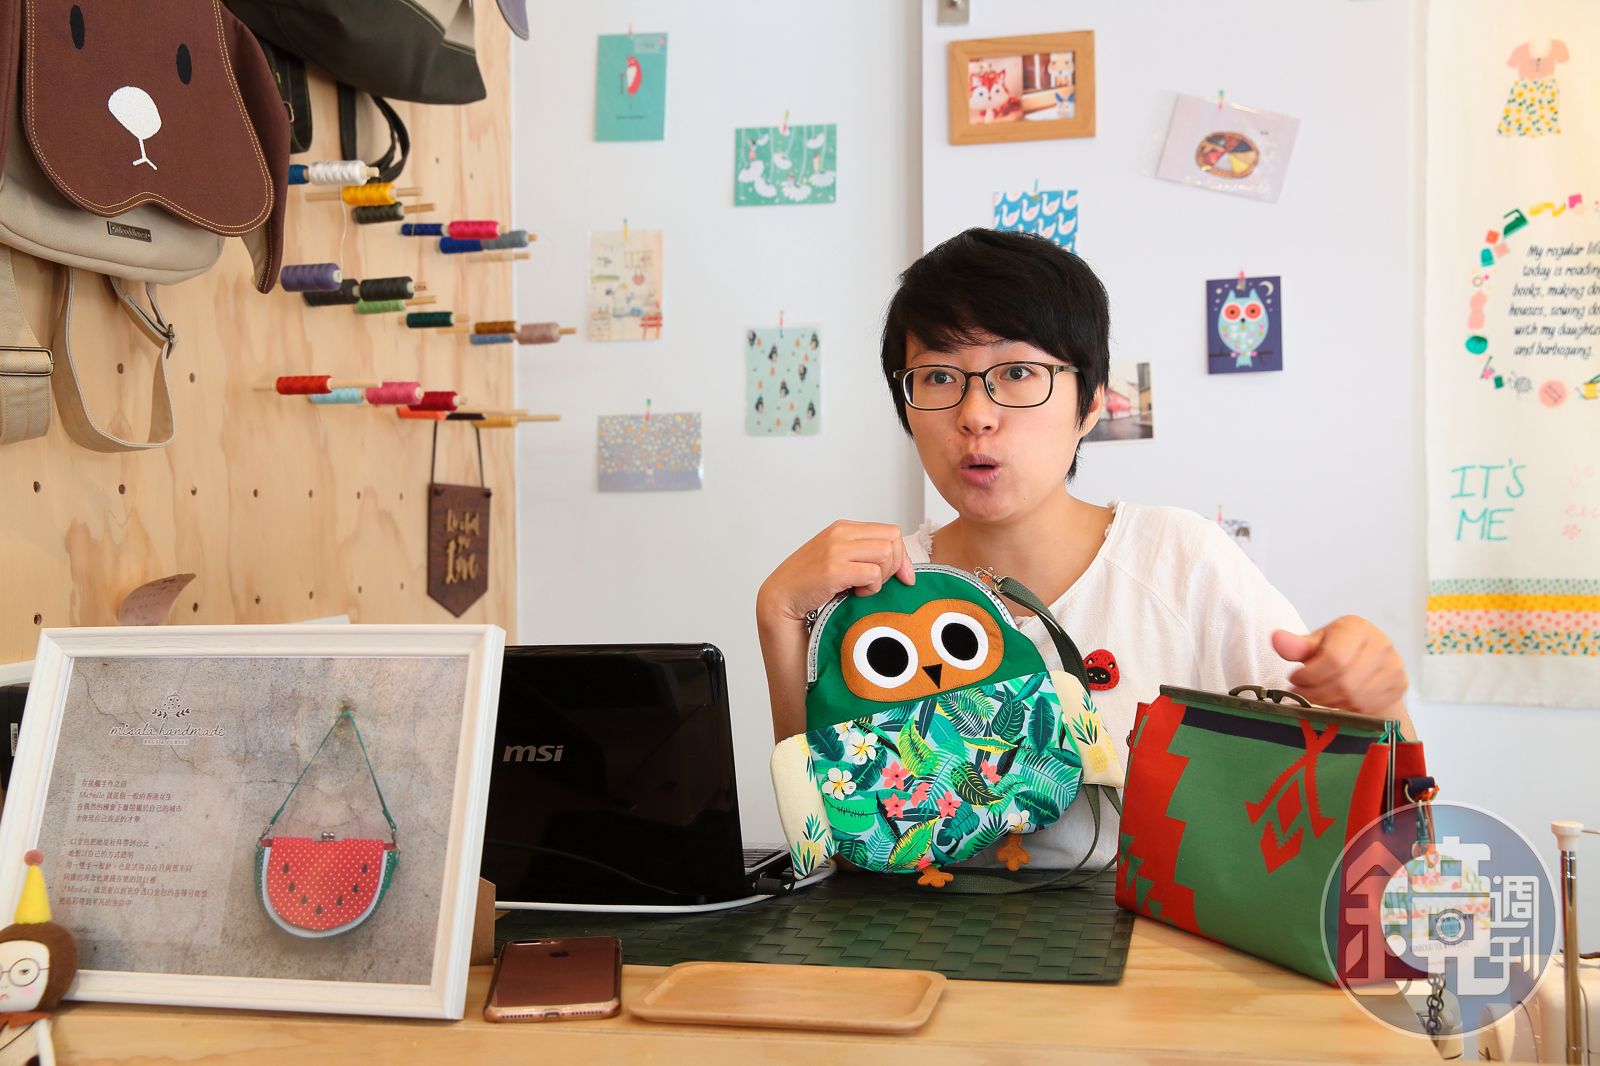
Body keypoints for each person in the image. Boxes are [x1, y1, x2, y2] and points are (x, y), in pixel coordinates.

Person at [755, 228, 1413, 871]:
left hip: (1148, 936)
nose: (975, 415)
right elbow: (830, 842)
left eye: (1018, 372)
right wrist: (779, 616)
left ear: (1092, 403)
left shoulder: (1179, 560)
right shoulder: (880, 587)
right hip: (925, 935)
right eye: (938, 377)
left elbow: (1382, 832)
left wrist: (1383, 708)